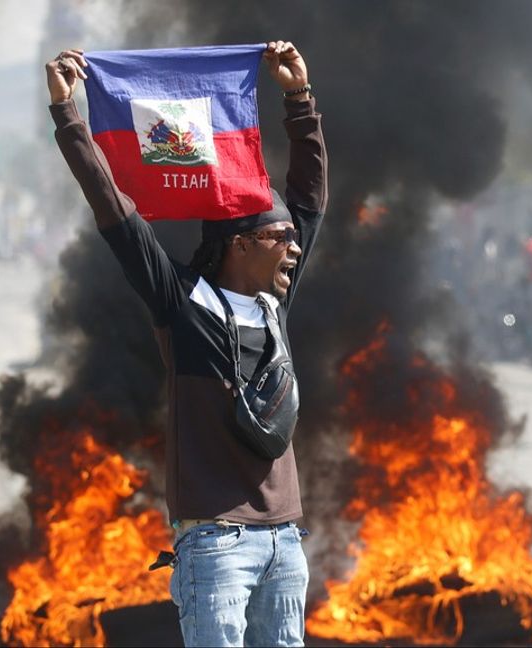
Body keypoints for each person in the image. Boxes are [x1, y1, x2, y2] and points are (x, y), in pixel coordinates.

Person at [47, 41, 326, 648]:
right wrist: (70, 117)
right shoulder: (183, 304)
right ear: (241, 245)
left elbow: (309, 200)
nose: (296, 246)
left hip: (286, 540)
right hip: (216, 543)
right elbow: (116, 212)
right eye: (282, 237)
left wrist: (298, 98)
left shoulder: (275, 304)